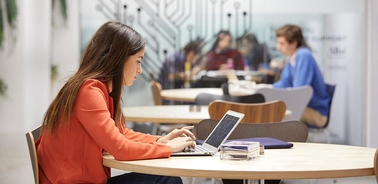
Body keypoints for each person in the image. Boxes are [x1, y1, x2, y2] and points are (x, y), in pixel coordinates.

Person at [36, 21, 196, 184]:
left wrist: (160, 140)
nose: (140, 70)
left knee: (167, 178)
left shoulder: (100, 89)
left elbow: (121, 133)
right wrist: (168, 148)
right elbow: (120, 148)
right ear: (119, 59)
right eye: (138, 60)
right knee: (168, 180)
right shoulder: (88, 92)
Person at [272, 24, 331, 127]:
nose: (278, 47)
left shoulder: (304, 56)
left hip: (316, 113)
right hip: (303, 107)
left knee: (274, 114)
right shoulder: (292, 58)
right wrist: (266, 88)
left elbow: (299, 91)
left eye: (281, 43)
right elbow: (284, 83)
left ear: (293, 44)